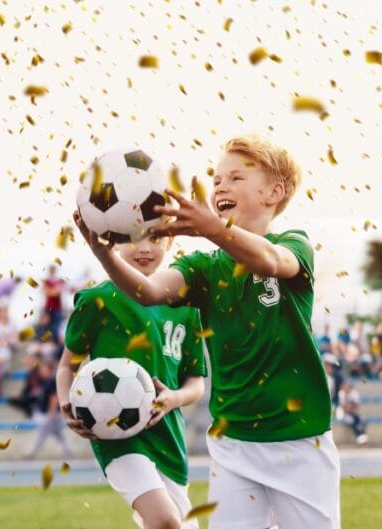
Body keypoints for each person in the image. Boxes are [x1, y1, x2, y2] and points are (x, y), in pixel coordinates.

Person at [76, 135, 338, 528]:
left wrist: (214, 228)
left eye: (235, 178)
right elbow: (147, 291)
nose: (220, 186)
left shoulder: (292, 244)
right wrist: (105, 255)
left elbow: (270, 261)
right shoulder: (201, 267)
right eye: (216, 180)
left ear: (274, 192)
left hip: (298, 440)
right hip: (232, 444)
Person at [58, 235, 206, 529]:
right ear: (112, 242)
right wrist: (66, 403)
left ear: (171, 241)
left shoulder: (186, 306)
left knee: (179, 524)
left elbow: (195, 382)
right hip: (116, 437)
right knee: (165, 521)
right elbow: (67, 365)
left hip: (168, 438)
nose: (145, 248)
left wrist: (173, 398)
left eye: (155, 238)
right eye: (134, 239)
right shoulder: (97, 299)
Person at [27, 359, 72, 460]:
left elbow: (54, 398)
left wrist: (51, 413)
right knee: (59, 435)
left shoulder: (52, 381)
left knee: (42, 434)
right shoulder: (48, 381)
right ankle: (69, 452)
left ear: (50, 370)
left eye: (43, 369)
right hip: (51, 414)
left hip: (51, 414)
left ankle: (31, 453)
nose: (41, 371)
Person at [42, 265, 66, 339]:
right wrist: (55, 290)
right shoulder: (47, 281)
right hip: (48, 307)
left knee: (57, 326)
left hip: (57, 307)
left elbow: (55, 292)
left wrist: (51, 291)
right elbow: (48, 292)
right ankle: (48, 341)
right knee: (46, 326)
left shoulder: (58, 281)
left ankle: (54, 341)